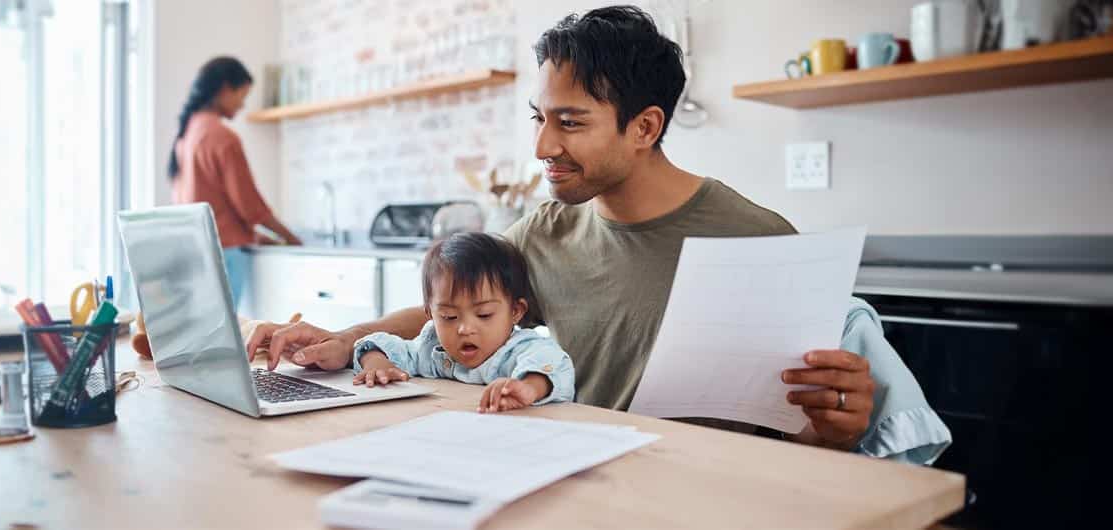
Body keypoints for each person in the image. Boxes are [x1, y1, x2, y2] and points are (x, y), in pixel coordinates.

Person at [246, 6, 950, 464]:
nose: (544, 144)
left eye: (571, 123)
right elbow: (453, 308)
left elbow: (811, 441)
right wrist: (344, 340)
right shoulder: (545, 228)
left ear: (645, 127)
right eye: (539, 118)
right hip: (559, 485)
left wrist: (839, 432)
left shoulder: (759, 242)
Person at [350, 232, 575, 413]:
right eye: (449, 317)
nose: (465, 329)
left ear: (515, 311)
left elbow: (554, 365)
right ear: (430, 313)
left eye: (484, 314)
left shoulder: (521, 349)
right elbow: (383, 345)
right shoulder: (433, 349)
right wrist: (376, 362)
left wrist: (528, 387)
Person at [169, 56, 301, 308]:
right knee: (230, 334)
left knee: (208, 334)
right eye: (242, 95)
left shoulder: (186, 135)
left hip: (196, 250)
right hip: (225, 254)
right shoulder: (222, 137)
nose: (242, 105)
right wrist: (292, 239)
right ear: (225, 89)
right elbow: (249, 205)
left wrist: (254, 235)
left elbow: (208, 203)